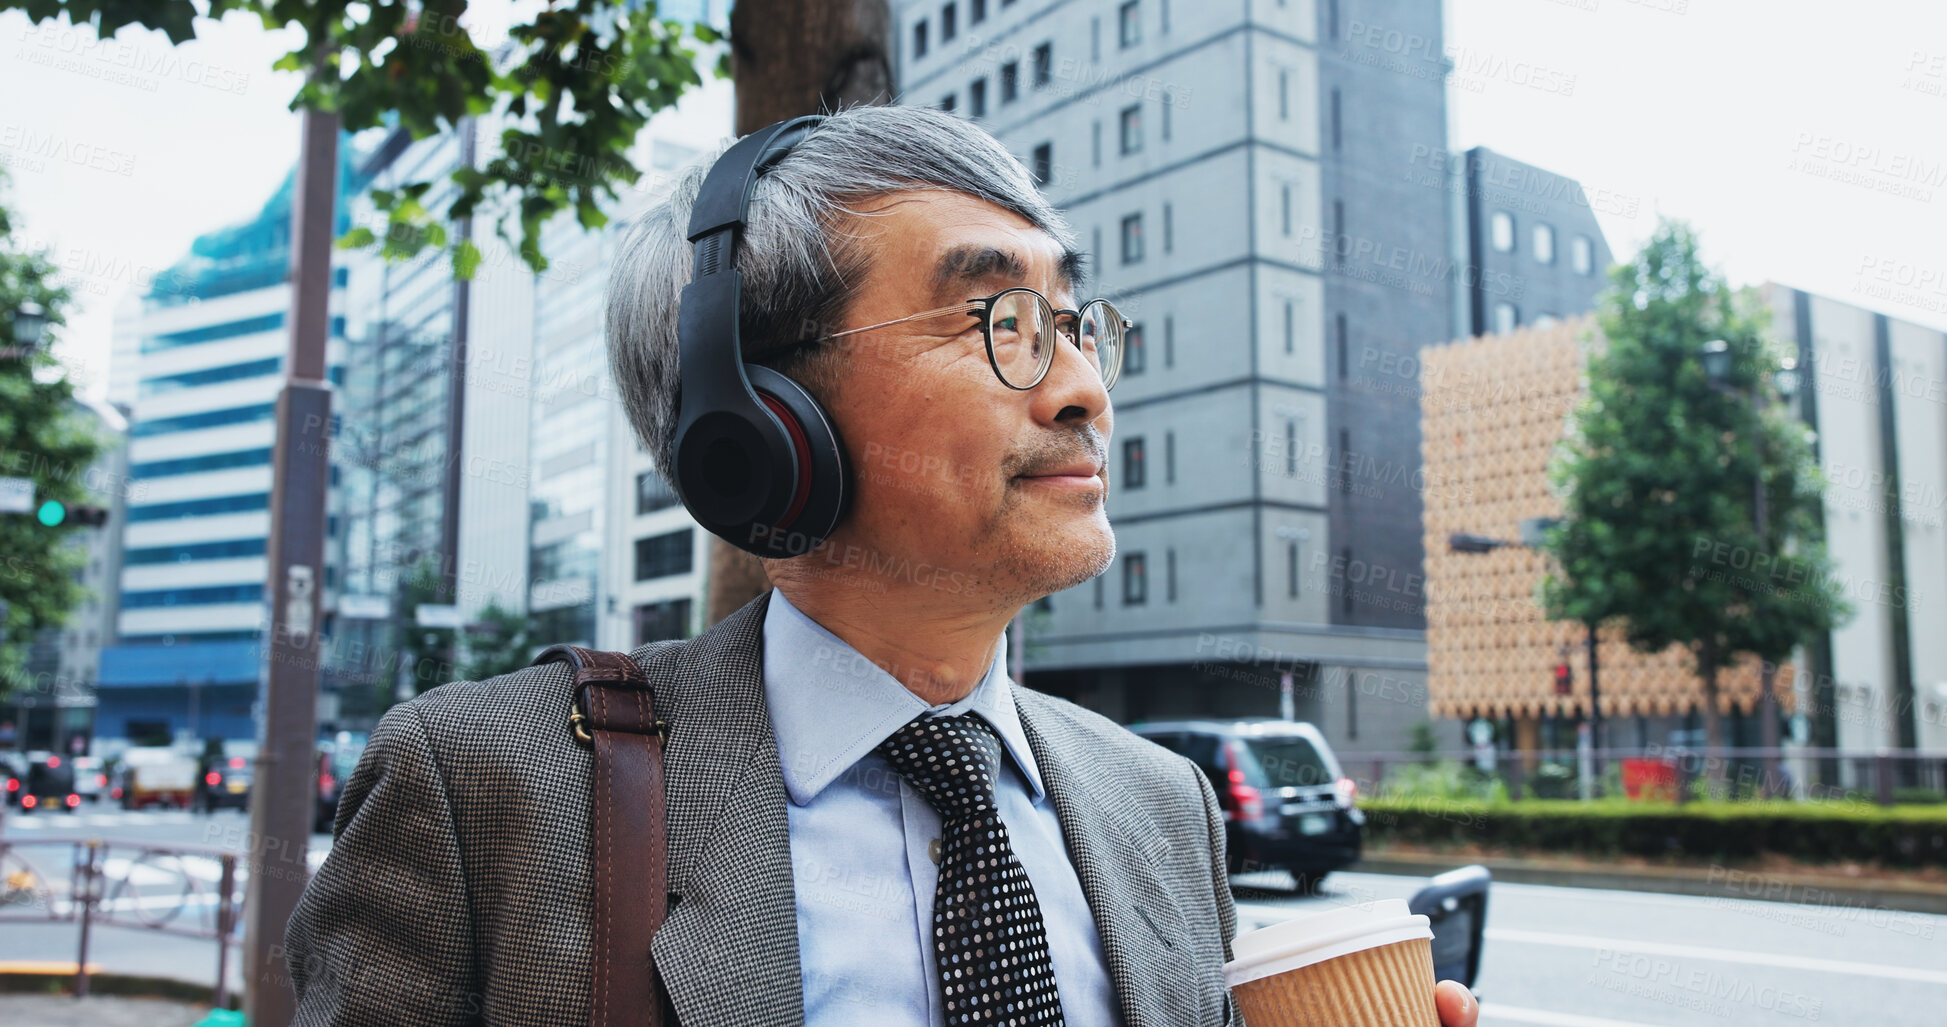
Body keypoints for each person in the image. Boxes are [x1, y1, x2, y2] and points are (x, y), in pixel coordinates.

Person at [285, 105, 1480, 1027]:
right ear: (758, 420)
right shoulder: (483, 791)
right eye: (999, 323)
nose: (1083, 388)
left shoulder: (1159, 804)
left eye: (1072, 324)